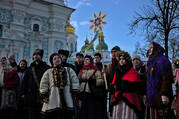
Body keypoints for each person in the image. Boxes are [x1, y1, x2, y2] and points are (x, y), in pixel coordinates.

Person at [40, 53, 80, 119]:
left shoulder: (69, 70)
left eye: (58, 58)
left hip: (67, 98)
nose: (57, 60)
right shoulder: (48, 72)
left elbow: (75, 81)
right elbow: (43, 83)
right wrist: (44, 94)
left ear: (61, 60)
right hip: (52, 99)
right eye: (54, 59)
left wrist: (75, 92)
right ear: (52, 62)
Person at [146, 42, 175, 119]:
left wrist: (164, 94)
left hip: (160, 94)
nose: (149, 49)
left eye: (151, 47)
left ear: (156, 49)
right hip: (152, 96)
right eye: (149, 47)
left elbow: (166, 78)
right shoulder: (151, 62)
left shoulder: (163, 60)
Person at [112, 50, 143, 119]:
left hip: (130, 99)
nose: (121, 61)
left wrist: (125, 85)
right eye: (120, 59)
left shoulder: (132, 71)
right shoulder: (117, 71)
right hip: (118, 98)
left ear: (127, 60)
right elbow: (115, 85)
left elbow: (136, 86)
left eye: (123, 59)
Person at [21, 49, 50, 119]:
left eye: (38, 54)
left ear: (41, 56)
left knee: (43, 115)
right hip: (31, 97)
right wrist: (23, 93)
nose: (36, 56)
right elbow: (25, 81)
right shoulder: (29, 69)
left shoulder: (46, 67)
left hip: (43, 96)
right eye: (34, 55)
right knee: (32, 115)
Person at [78, 55, 106, 119]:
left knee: (91, 110)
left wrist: (94, 81)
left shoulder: (95, 70)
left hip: (91, 92)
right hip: (83, 92)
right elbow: (78, 80)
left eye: (87, 59)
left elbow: (101, 81)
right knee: (83, 109)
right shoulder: (82, 70)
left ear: (90, 61)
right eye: (85, 59)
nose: (86, 61)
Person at [106, 46, 120, 116]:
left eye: (115, 52)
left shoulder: (122, 62)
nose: (113, 54)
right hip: (112, 87)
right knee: (112, 104)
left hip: (120, 87)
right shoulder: (110, 65)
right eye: (112, 52)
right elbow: (108, 76)